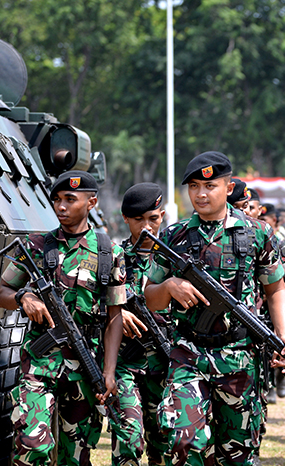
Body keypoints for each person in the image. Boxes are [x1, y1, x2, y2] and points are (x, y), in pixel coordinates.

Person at [143, 151, 285, 466]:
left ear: (229, 188)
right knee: (184, 442)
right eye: (194, 187)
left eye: (210, 186)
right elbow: (149, 297)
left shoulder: (257, 233)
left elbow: (276, 290)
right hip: (188, 352)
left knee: (237, 452)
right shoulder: (174, 236)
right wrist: (169, 287)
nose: (201, 194)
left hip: (239, 355)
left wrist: (284, 335)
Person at [0, 170, 126, 466]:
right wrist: (23, 298)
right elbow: (2, 291)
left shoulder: (109, 251)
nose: (61, 206)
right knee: (31, 445)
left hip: (85, 364)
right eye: (56, 199)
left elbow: (114, 317)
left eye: (70, 199)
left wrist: (108, 370)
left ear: (91, 202)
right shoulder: (37, 246)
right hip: (40, 364)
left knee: (75, 455)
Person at [111, 182, 169, 466]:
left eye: (153, 218)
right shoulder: (112, 258)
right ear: (125, 219)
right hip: (125, 365)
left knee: (165, 443)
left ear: (163, 216)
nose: (146, 227)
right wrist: (116, 315)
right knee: (129, 440)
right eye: (138, 220)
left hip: (168, 365)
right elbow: (89, 301)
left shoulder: (176, 260)